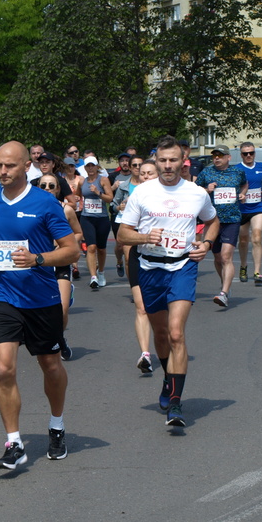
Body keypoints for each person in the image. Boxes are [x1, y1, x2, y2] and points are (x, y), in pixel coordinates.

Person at [0, 141, 78, 469]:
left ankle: (57, 425)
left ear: (25, 167)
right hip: (4, 295)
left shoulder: (45, 203)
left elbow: (71, 250)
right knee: (4, 368)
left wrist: (37, 258)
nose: (2, 172)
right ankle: (14, 442)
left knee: (50, 366)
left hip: (41, 298)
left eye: (10, 166)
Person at [117, 136, 219, 427]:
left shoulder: (196, 193)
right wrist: (143, 237)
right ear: (156, 160)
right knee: (160, 335)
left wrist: (207, 243)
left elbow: (212, 221)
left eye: (173, 160)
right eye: (162, 160)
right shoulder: (143, 192)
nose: (167, 165)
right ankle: (168, 378)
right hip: (150, 268)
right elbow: (124, 234)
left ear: (183, 160)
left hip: (183, 266)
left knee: (176, 333)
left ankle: (175, 403)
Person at [117, 157, 158, 374]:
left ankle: (167, 344)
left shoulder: (171, 199)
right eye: (143, 174)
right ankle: (145, 354)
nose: (146, 177)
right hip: (139, 255)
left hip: (165, 258)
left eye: (150, 173)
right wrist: (145, 237)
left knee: (162, 311)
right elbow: (124, 235)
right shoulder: (134, 199)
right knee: (141, 307)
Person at [36, 173, 83, 361]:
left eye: (51, 186)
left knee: (61, 309)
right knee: (39, 308)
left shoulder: (66, 210)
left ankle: (59, 339)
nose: (47, 189)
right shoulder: (30, 210)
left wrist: (64, 245)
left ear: (58, 189)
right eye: (43, 186)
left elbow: (78, 233)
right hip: (38, 263)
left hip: (60, 262)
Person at [195, 144, 247, 308]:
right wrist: (206, 189)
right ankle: (225, 283)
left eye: (220, 155)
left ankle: (224, 292)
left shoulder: (237, 172)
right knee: (217, 258)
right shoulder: (207, 172)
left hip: (232, 219)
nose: (216, 158)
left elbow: (244, 184)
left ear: (228, 158)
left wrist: (243, 193)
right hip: (212, 220)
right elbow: (195, 190)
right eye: (214, 155)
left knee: (226, 256)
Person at [236, 141, 262, 285]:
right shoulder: (237, 169)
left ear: (254, 153)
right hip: (242, 209)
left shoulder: (261, 166)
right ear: (241, 155)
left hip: (257, 207)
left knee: (256, 237)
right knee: (243, 240)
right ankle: (243, 266)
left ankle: (257, 271)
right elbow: (231, 186)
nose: (249, 155)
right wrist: (240, 194)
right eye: (245, 153)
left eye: (251, 153)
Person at [77, 155, 114, 289]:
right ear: (85, 168)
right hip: (87, 218)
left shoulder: (103, 180)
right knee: (91, 247)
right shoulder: (82, 182)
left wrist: (98, 192)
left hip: (102, 218)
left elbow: (110, 199)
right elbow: (78, 194)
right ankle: (93, 277)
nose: (90, 168)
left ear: (97, 167)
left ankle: (101, 272)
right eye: (88, 166)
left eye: (93, 165)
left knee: (101, 248)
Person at [109, 153, 133, 276]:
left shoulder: (138, 178)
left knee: (129, 248)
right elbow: (107, 195)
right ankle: (119, 261)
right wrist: (114, 187)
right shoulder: (113, 176)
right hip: (119, 215)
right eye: (122, 160)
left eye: (126, 160)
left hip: (134, 218)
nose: (124, 163)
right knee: (119, 246)